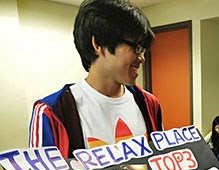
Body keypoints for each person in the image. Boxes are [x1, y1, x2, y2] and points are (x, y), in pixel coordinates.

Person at [29, 0, 163, 158]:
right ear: (98, 44)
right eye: (136, 48)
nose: (142, 58)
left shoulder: (148, 103)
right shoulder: (53, 111)